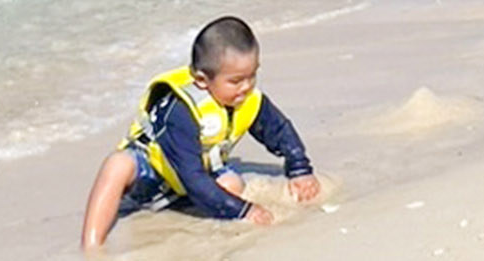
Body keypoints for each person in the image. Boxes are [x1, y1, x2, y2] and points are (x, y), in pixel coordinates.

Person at [80, 16, 319, 250]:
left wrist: (299, 168)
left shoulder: (247, 99)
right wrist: (244, 210)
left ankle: (210, 237)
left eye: (252, 76)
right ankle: (92, 245)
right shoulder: (180, 110)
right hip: (154, 178)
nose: (246, 87)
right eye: (236, 80)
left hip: (194, 185)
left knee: (232, 183)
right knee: (117, 164)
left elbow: (278, 130)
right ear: (202, 80)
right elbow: (191, 176)